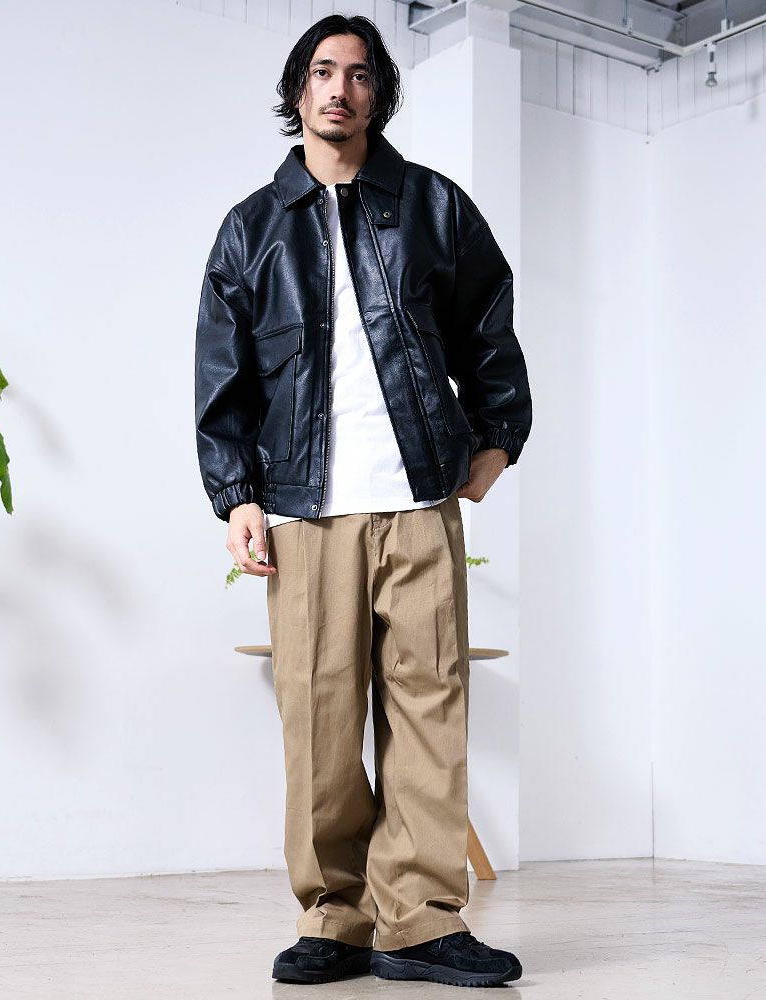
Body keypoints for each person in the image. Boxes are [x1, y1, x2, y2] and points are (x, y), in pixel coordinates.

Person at [193, 13, 532, 989]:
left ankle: (419, 922)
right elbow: (224, 374)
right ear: (297, 90)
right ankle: (334, 917)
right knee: (319, 718)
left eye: (358, 73)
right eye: (321, 71)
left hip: (419, 500)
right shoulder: (252, 228)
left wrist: (496, 440)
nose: (338, 88)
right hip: (305, 509)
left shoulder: (432, 206)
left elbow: (488, 325)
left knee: (431, 708)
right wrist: (236, 495)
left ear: (379, 93)